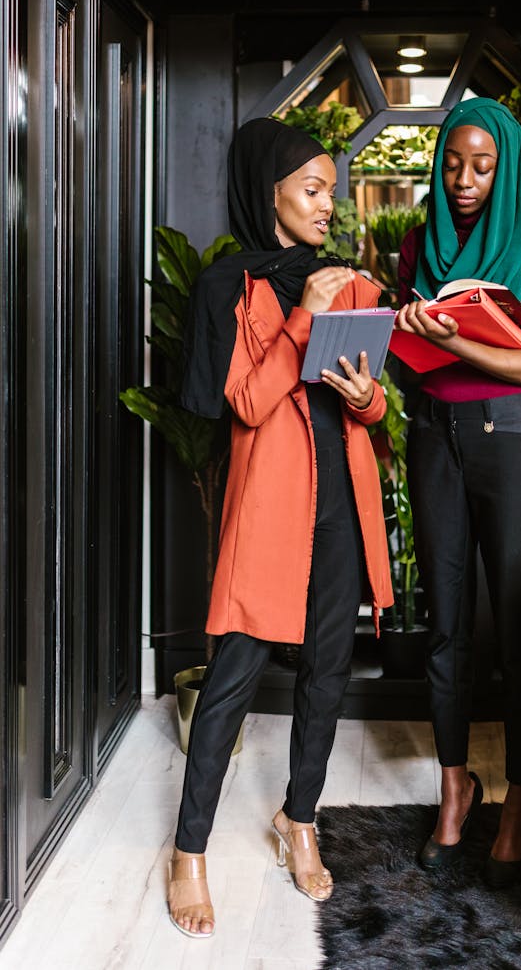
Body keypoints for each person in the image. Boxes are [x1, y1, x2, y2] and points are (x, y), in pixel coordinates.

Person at [168, 117, 393, 937]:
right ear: (268, 194)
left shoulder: (351, 282)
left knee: (328, 667)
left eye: (332, 190)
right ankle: (188, 848)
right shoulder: (232, 287)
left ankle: (299, 816)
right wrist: (303, 317)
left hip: (342, 497)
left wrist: (364, 390)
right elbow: (250, 402)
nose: (328, 203)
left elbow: (368, 406)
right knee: (233, 669)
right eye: (311, 188)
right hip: (271, 503)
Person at [395, 96, 521, 887]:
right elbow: (405, 357)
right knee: (447, 623)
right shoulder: (417, 241)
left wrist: (452, 336)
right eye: (453, 163)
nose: (463, 180)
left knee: (517, 626)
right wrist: (397, 332)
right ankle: (454, 784)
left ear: (505, 165)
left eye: (481, 164)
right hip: (434, 435)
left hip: (513, 441)